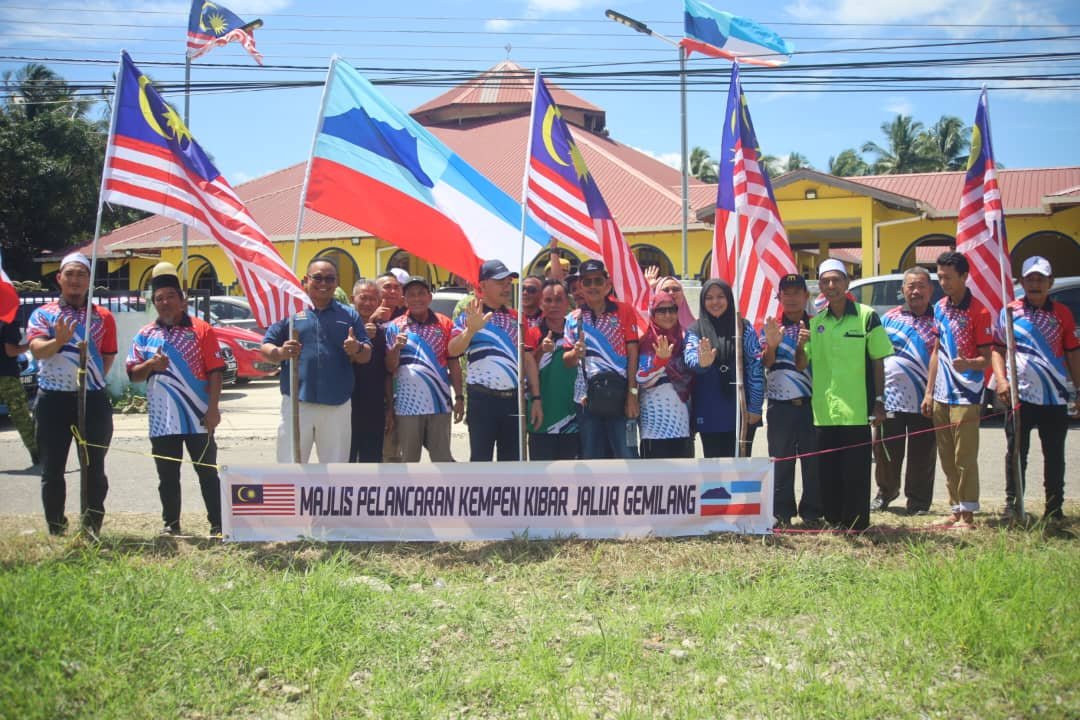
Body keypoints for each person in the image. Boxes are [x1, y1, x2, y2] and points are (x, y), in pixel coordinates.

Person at [126, 263, 224, 536]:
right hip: (162, 421)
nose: (165, 302)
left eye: (171, 296)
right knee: (167, 477)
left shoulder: (201, 330)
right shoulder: (145, 335)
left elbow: (216, 372)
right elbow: (133, 375)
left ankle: (218, 524)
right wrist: (150, 367)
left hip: (198, 417)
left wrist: (214, 410)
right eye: (159, 298)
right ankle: (171, 525)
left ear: (183, 300)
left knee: (207, 473)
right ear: (154, 303)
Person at [796, 259, 892, 531]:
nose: (831, 286)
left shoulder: (866, 316)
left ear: (847, 283)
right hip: (824, 411)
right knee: (828, 471)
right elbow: (802, 364)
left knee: (856, 472)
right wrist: (800, 346)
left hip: (857, 409)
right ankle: (835, 521)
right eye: (825, 281)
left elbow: (877, 360)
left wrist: (879, 400)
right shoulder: (815, 323)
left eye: (836, 280)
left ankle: (857, 524)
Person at [27, 252, 117, 536]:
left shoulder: (102, 316)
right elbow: (37, 350)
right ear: (60, 278)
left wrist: (91, 380)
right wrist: (59, 341)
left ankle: (91, 527)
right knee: (52, 468)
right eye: (70, 274)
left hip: (93, 400)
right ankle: (56, 526)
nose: (76, 280)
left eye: (82, 274)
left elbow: (108, 356)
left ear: (89, 280)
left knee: (94, 468)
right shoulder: (43, 313)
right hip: (53, 401)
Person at [993, 256, 1080, 522]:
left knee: (1054, 455)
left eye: (1040, 278)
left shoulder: (1062, 313)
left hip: (1054, 398)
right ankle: (1013, 505)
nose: (1035, 284)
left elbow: (1073, 354)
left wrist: (1078, 390)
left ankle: (1054, 508)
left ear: (1050, 282)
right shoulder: (1009, 312)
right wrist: (1002, 380)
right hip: (1020, 397)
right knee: (1016, 453)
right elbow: (997, 349)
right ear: (1021, 282)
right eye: (1030, 278)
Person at [261, 259, 371, 463]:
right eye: (318, 277)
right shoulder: (290, 312)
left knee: (336, 469)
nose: (324, 283)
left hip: (337, 404)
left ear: (336, 282)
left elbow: (366, 355)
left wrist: (356, 348)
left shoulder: (348, 315)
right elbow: (266, 346)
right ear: (305, 280)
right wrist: (280, 352)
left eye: (330, 278)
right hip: (297, 401)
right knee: (291, 464)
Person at [923, 251, 993, 529]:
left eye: (949, 277)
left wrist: (969, 363)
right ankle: (954, 508)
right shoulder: (939, 306)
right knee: (946, 455)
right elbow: (936, 352)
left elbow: (987, 358)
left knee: (965, 457)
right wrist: (929, 392)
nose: (944, 282)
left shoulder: (980, 311)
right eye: (940, 277)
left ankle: (968, 513)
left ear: (964, 276)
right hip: (941, 393)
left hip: (967, 394)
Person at [449, 259, 538, 462]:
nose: (507, 287)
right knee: (481, 462)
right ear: (483, 285)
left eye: (508, 282)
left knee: (513, 463)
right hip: (483, 401)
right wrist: (470, 330)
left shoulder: (517, 318)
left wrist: (536, 398)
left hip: (514, 401)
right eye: (500, 282)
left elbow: (528, 360)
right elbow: (453, 350)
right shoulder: (470, 315)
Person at [872, 267, 938, 515]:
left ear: (930, 289)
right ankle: (885, 493)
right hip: (892, 399)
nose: (916, 291)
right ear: (903, 291)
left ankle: (919, 502)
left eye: (921, 285)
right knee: (885, 449)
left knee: (923, 453)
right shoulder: (889, 318)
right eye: (910, 286)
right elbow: (876, 356)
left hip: (926, 398)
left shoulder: (938, 318)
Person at [562, 259, 640, 459]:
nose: (593, 286)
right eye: (587, 282)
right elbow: (567, 361)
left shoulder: (624, 311)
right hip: (586, 400)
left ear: (607, 285)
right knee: (591, 458)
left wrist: (632, 394)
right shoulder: (573, 318)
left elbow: (633, 354)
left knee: (628, 454)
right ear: (580, 286)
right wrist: (575, 353)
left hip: (621, 397)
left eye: (598, 281)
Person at [761, 273, 821, 526]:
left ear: (806, 296)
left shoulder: (818, 326)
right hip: (780, 405)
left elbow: (803, 365)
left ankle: (812, 512)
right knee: (781, 461)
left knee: (812, 461)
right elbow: (765, 364)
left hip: (810, 404)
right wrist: (772, 345)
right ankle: (782, 512)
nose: (792, 298)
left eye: (797, 292)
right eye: (787, 293)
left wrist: (801, 346)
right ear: (780, 297)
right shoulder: (772, 326)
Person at [684, 279, 763, 458]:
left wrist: (756, 407)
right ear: (703, 302)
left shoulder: (743, 327)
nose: (715, 302)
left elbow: (755, 367)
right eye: (709, 298)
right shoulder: (695, 330)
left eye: (720, 296)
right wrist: (701, 362)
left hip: (741, 409)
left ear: (729, 299)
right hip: (710, 409)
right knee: (714, 469)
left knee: (741, 466)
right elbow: (690, 357)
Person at [386, 276, 462, 462]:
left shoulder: (444, 324)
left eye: (421, 293)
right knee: (410, 461)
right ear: (404, 300)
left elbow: (453, 361)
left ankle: (443, 492)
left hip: (440, 403)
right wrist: (396, 348)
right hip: (407, 405)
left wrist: (459, 397)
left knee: (442, 459)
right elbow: (389, 367)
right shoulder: (395, 326)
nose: (417, 299)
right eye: (411, 295)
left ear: (430, 297)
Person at [527, 279, 580, 460]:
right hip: (542, 416)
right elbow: (525, 371)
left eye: (558, 300)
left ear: (567, 302)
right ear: (541, 303)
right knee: (542, 479)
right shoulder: (532, 333)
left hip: (573, 418)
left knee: (570, 478)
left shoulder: (576, 330)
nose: (553, 305)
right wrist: (541, 349)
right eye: (548, 300)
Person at [637, 291, 693, 458]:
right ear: (652, 314)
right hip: (654, 424)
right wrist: (660, 362)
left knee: (682, 478)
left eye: (672, 309)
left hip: (681, 421)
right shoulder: (646, 341)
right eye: (661, 311)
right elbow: (641, 379)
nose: (668, 315)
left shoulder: (684, 338)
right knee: (655, 477)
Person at [350, 279, 390, 463]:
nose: (368, 303)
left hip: (374, 407)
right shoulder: (344, 327)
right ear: (353, 299)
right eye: (363, 298)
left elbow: (388, 372)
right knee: (345, 460)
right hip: (345, 406)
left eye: (373, 299)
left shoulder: (383, 332)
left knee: (372, 461)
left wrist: (389, 407)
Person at [0, 317, 38, 466]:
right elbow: (10, 351)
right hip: (6, 376)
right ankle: (37, 453)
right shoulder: (8, 323)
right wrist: (30, 345)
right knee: (20, 416)